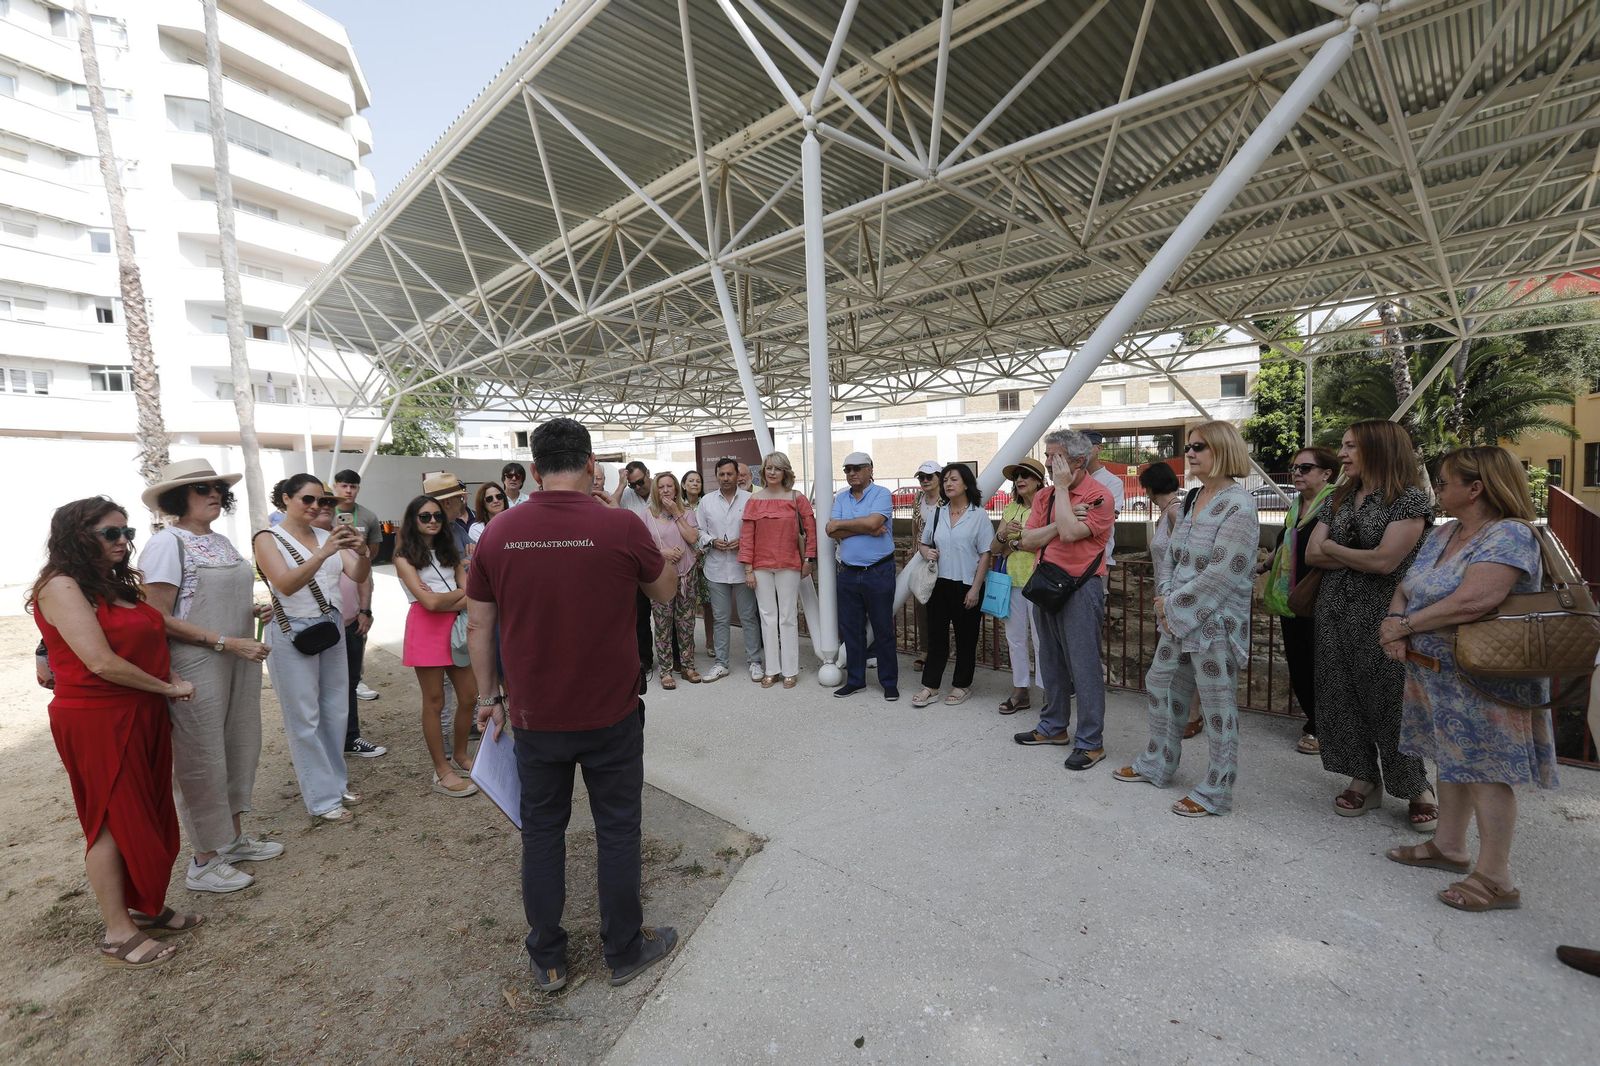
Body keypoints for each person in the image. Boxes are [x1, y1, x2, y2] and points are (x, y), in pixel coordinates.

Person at [467, 417, 679, 992]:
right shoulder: (620, 525)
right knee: (617, 829)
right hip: (611, 712)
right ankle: (624, 949)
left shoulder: (499, 532)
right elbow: (665, 592)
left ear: (534, 471)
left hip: (535, 716)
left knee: (542, 832)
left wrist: (488, 698)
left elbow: (479, 626)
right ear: (591, 464)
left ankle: (549, 958)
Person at [1381, 447, 1555, 910]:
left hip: (1485, 676)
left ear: (1475, 488)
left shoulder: (1510, 534)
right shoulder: (1445, 532)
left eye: (1443, 482)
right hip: (1437, 670)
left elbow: (1475, 600)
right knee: (1452, 759)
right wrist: (1395, 621)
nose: (1436, 489)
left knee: (1487, 770)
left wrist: (1405, 626)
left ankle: (1496, 878)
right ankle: (1449, 846)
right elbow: (1407, 585)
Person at [30, 497, 200, 968]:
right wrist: (168, 687)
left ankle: (146, 907)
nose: (123, 541)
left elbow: (150, 631)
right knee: (110, 819)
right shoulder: (61, 585)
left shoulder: (109, 583)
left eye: (127, 532)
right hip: (97, 717)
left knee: (147, 812)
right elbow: (100, 662)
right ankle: (116, 932)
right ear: (77, 536)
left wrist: (180, 667)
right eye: (110, 533)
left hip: (141, 710)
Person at [141, 461, 280, 894]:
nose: (214, 493)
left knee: (239, 745)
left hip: (237, 656)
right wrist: (224, 641)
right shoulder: (166, 544)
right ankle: (203, 860)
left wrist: (251, 611)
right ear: (178, 497)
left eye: (217, 487)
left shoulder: (220, 541)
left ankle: (231, 840)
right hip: (197, 664)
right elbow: (156, 617)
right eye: (201, 488)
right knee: (200, 757)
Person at [1114, 422, 1258, 816]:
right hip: (1178, 618)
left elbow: (1224, 572)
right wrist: (1165, 598)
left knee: (1217, 706)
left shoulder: (1240, 505)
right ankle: (1157, 762)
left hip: (1215, 624)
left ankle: (1217, 789)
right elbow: (1172, 556)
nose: (1190, 453)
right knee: (1159, 684)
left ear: (1223, 451)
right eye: (1190, 446)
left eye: (1199, 447)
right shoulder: (1193, 498)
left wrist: (1172, 605)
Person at [1306, 420, 1436, 828]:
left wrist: (1335, 548)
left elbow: (1386, 562)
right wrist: (1355, 555)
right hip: (1333, 611)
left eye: (1350, 447)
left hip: (1386, 616)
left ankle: (1416, 786)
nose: (1341, 454)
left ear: (1378, 449)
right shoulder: (1339, 497)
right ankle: (1363, 778)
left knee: (1391, 700)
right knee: (1339, 695)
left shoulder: (1409, 501)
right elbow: (1311, 554)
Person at [253, 475, 370, 823]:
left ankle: (336, 784)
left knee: (335, 710)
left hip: (330, 626)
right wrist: (323, 553)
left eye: (323, 501)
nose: (317, 506)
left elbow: (358, 574)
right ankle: (322, 799)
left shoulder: (326, 535)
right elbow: (285, 584)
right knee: (304, 717)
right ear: (285, 499)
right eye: (308, 499)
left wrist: (363, 551)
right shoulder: (268, 538)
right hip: (292, 629)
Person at [1013, 430, 1113, 771]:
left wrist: (1061, 491)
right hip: (1046, 584)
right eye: (1047, 455)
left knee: (1084, 667)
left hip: (1081, 587)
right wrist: (1059, 520)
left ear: (1078, 461)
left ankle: (1091, 742)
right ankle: (1053, 726)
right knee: (1050, 661)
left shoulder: (1098, 496)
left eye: (1054, 456)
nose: (1047, 462)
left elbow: (1072, 534)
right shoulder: (1044, 497)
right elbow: (1028, 540)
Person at [394, 495, 480, 797]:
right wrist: (452, 596)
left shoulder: (449, 551)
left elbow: (469, 593)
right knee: (434, 702)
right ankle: (442, 771)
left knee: (469, 696)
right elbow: (428, 604)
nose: (432, 521)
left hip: (455, 627)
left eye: (437, 516)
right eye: (425, 516)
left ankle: (460, 754)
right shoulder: (404, 557)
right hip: (426, 629)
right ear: (413, 520)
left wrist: (442, 599)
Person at [1262, 446, 1338, 754]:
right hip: (1292, 596)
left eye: (1305, 468)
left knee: (1323, 663)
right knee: (1299, 662)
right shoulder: (1296, 507)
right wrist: (1262, 567)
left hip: (1323, 596)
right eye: (1294, 467)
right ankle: (1315, 720)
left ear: (1326, 474)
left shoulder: (1336, 505)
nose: (1296, 473)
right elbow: (1284, 544)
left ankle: (1323, 727)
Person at [909, 464, 994, 708]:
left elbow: (986, 554)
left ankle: (962, 685)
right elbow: (923, 543)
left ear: (966, 484)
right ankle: (931, 686)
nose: (948, 483)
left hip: (967, 584)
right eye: (945, 479)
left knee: (966, 638)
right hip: (939, 583)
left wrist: (975, 589)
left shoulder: (978, 515)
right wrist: (927, 552)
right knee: (936, 637)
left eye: (953, 479)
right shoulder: (938, 513)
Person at [308, 504, 387, 761]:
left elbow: (362, 577)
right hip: (317, 627)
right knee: (317, 687)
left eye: (327, 504)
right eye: (313, 501)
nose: (322, 508)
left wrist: (365, 610)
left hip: (351, 623)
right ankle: (322, 743)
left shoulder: (345, 539)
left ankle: (349, 737)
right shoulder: (299, 542)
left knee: (349, 683)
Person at [740, 451, 817, 688]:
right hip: (761, 566)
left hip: (789, 564)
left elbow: (811, 529)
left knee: (788, 617)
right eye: (769, 468)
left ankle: (790, 670)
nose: (772, 472)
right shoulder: (754, 500)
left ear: (785, 472)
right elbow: (747, 536)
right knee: (767, 617)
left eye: (777, 468)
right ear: (763, 471)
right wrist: (748, 568)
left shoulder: (796, 497)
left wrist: (809, 559)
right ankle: (771, 669)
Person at [1138, 462, 1203, 740]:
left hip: (1176, 597)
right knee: (1180, 657)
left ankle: (1193, 714)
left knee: (1185, 656)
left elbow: (1189, 556)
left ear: (1151, 488)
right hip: (1166, 595)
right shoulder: (1169, 512)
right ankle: (1184, 710)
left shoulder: (1175, 512)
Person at [827, 452, 899, 701]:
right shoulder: (841, 497)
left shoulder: (881, 493)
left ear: (870, 469)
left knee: (883, 629)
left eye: (857, 468)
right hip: (848, 572)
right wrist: (866, 527)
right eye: (847, 469)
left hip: (878, 571)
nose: (851, 473)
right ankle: (855, 681)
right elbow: (831, 530)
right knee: (851, 630)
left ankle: (889, 682)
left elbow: (873, 523)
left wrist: (845, 525)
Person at [696, 457, 764, 683]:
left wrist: (743, 541)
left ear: (738, 476)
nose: (725, 478)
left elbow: (759, 530)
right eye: (721, 474)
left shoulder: (750, 499)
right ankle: (721, 663)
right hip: (716, 568)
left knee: (748, 617)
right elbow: (699, 530)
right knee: (720, 618)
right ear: (716, 476)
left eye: (729, 474)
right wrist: (711, 541)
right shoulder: (706, 501)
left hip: (743, 567)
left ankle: (754, 661)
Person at [992, 458, 1046, 715]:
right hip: (1012, 581)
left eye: (1026, 475)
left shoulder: (1047, 508)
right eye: (1017, 476)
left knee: (1041, 639)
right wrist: (1004, 535)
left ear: (1039, 481)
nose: (1020, 480)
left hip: (1040, 582)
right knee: (1015, 638)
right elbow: (995, 548)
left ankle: (1048, 690)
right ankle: (1020, 689)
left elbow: (1045, 543)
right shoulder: (1011, 509)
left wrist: (1014, 543)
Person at [641, 472, 703, 688]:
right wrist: (663, 553)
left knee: (686, 623)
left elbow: (692, 538)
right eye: (661, 487)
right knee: (663, 624)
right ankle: (666, 671)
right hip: (661, 577)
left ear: (676, 489)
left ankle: (687, 666)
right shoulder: (647, 515)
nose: (666, 490)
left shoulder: (687, 512)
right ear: (655, 491)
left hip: (687, 575)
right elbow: (642, 547)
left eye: (669, 486)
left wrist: (677, 513)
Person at [331, 469, 382, 704]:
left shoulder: (368, 516)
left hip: (360, 578)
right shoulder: (324, 513)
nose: (348, 491)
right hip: (331, 581)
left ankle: (357, 678)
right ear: (335, 486)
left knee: (359, 629)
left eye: (353, 486)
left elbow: (373, 552)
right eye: (343, 485)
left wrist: (359, 555)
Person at [909, 459, 944, 673]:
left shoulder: (947, 500)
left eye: (929, 476)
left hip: (943, 558)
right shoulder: (918, 499)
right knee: (922, 605)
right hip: (921, 558)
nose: (924, 480)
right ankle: (925, 650)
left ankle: (939, 649)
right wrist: (915, 549)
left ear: (939, 478)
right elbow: (915, 527)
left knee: (942, 605)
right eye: (921, 477)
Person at [681, 469, 716, 658]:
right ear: (683, 484)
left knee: (709, 604)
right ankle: (688, 644)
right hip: (685, 561)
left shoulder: (707, 504)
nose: (695, 484)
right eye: (691, 481)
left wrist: (702, 552)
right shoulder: (677, 505)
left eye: (698, 481)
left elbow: (711, 530)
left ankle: (711, 642)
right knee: (686, 606)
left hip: (706, 560)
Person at [1085, 430, 1125, 582]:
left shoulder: (1113, 482)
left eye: (1086, 445)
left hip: (1099, 557)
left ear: (1099, 448)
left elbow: (1108, 516)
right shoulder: (1072, 480)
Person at [469, 481, 509, 557]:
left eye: (499, 496)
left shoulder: (514, 523)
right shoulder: (476, 528)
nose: (496, 500)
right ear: (482, 503)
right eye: (489, 499)